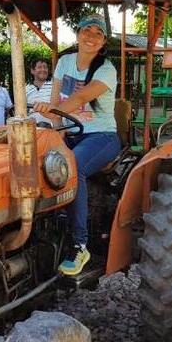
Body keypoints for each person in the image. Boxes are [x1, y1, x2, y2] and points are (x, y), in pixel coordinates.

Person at [33, 15, 120, 277]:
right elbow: (55, 104)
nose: (91, 37)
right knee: (34, 161)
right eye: (86, 31)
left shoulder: (106, 69)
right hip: (70, 134)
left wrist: (55, 109)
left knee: (72, 166)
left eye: (98, 33)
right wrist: (54, 128)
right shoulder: (65, 62)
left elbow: (81, 97)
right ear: (78, 34)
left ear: (103, 41)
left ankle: (80, 245)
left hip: (101, 136)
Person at [25, 58, 53, 124]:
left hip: (53, 126)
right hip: (32, 125)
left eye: (45, 67)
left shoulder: (55, 86)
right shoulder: (26, 89)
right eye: (39, 67)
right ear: (32, 71)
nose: (43, 69)